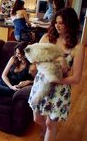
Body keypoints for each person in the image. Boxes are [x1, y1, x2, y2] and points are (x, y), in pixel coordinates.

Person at [28, 7, 85, 141]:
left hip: (59, 88)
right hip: (41, 84)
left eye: (61, 23)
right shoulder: (46, 38)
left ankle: (48, 130)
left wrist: (56, 79)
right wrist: (34, 67)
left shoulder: (77, 47)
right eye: (56, 22)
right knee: (37, 118)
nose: (57, 26)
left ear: (70, 24)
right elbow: (35, 60)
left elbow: (76, 78)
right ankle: (45, 130)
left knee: (50, 123)